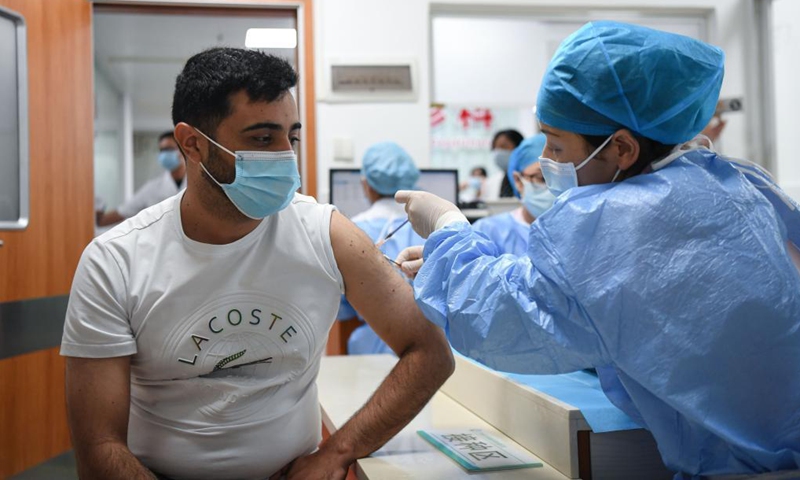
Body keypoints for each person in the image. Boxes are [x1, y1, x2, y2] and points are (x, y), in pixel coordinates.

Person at [395, 21, 800, 479]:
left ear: (622, 148)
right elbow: (577, 293)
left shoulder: (625, 218)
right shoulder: (732, 181)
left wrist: (448, 228)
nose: (547, 162)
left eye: (557, 144)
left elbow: (508, 318)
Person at [62, 48, 453, 480]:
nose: (287, 157)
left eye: (292, 137)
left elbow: (430, 352)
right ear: (192, 144)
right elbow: (99, 446)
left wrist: (336, 452)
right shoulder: (115, 261)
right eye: (263, 139)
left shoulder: (325, 233)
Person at [336, 141, 425, 355]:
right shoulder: (428, 226)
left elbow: (340, 305)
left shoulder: (349, 230)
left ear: (367, 184)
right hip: (434, 344)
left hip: (372, 349)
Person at [471, 134, 553, 256]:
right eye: (542, 178)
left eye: (561, 180)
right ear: (518, 181)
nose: (554, 188)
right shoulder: (488, 231)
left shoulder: (580, 232)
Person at [96, 131, 187, 227]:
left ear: (183, 150)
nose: (164, 154)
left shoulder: (199, 184)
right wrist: (98, 215)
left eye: (169, 149)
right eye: (162, 150)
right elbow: (123, 211)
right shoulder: (152, 188)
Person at [482, 129, 524, 200]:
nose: (498, 152)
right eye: (495, 148)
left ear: (519, 148)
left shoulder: (531, 178)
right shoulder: (491, 182)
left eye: (504, 147)